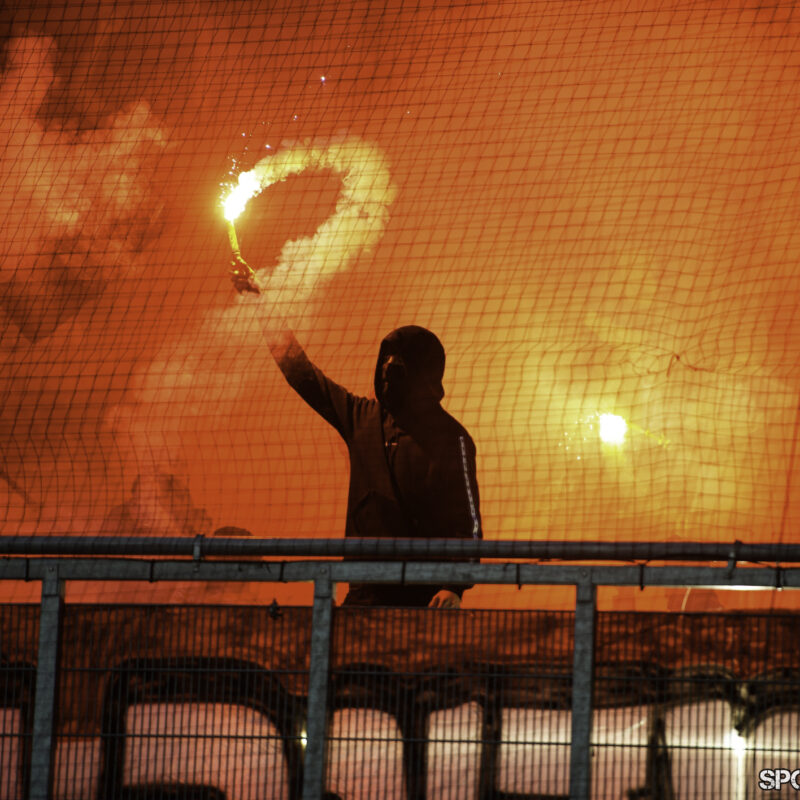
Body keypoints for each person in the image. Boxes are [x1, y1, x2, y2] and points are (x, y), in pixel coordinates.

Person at [232, 263, 482, 607]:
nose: (388, 369)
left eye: (398, 363)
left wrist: (453, 586)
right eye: (386, 360)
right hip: (365, 591)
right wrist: (258, 300)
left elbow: (466, 520)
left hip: (425, 598)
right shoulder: (362, 418)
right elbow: (300, 372)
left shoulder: (452, 438)